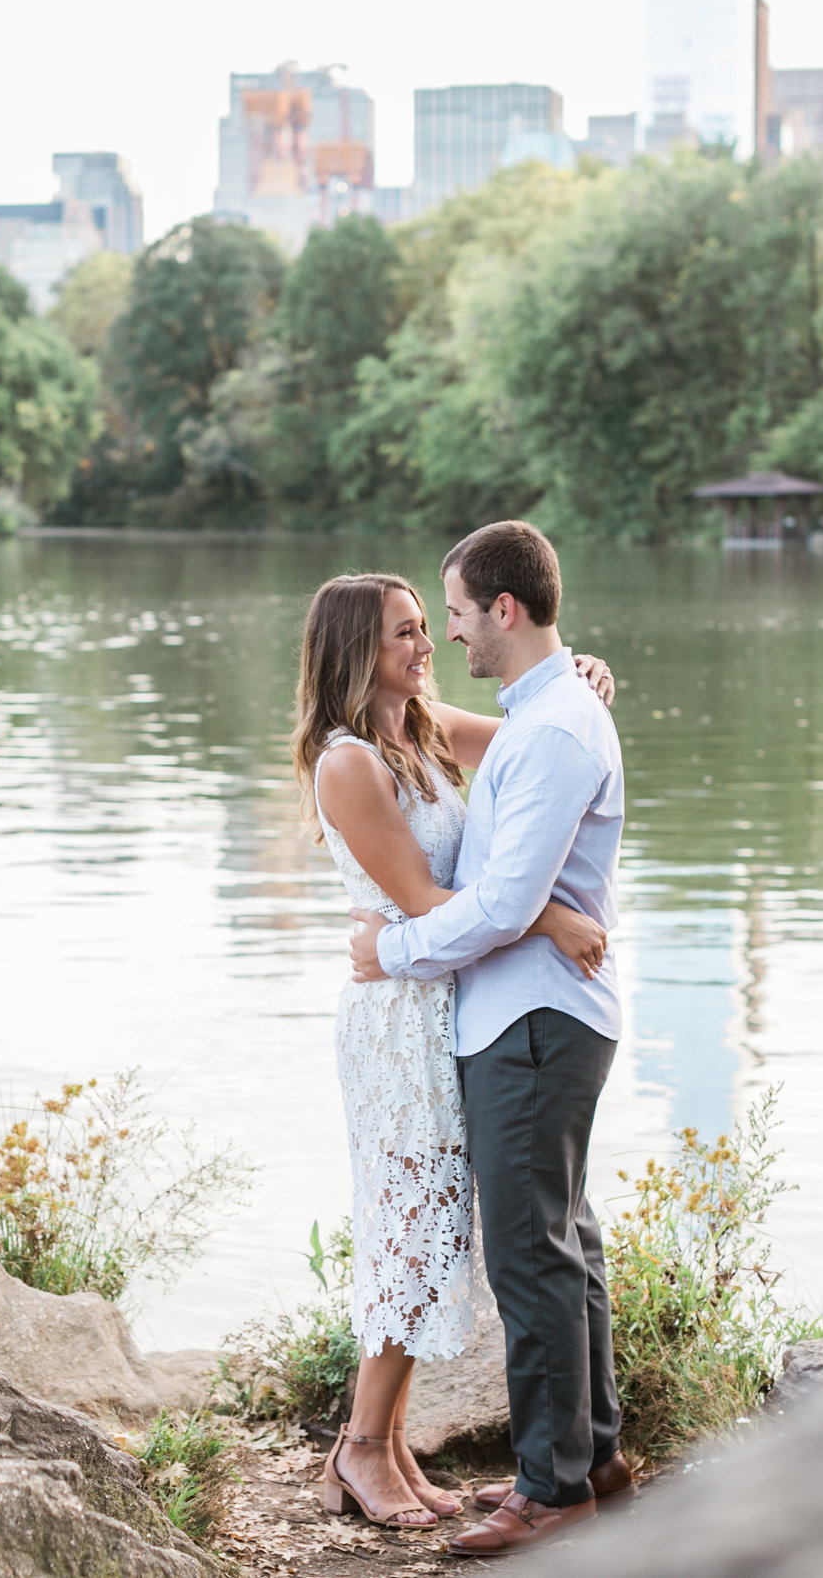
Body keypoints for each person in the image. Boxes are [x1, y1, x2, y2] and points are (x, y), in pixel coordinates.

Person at [293, 571, 616, 1533]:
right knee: (409, 1224)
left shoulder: (424, 725)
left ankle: (386, 1445)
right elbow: (432, 904)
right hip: (397, 1015)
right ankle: (359, 1446)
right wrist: (554, 916)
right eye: (405, 631)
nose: (427, 643)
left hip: (450, 999)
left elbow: (532, 736)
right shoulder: (349, 762)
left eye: (431, 625)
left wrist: (579, 673)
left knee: (435, 1226)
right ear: (358, 647)